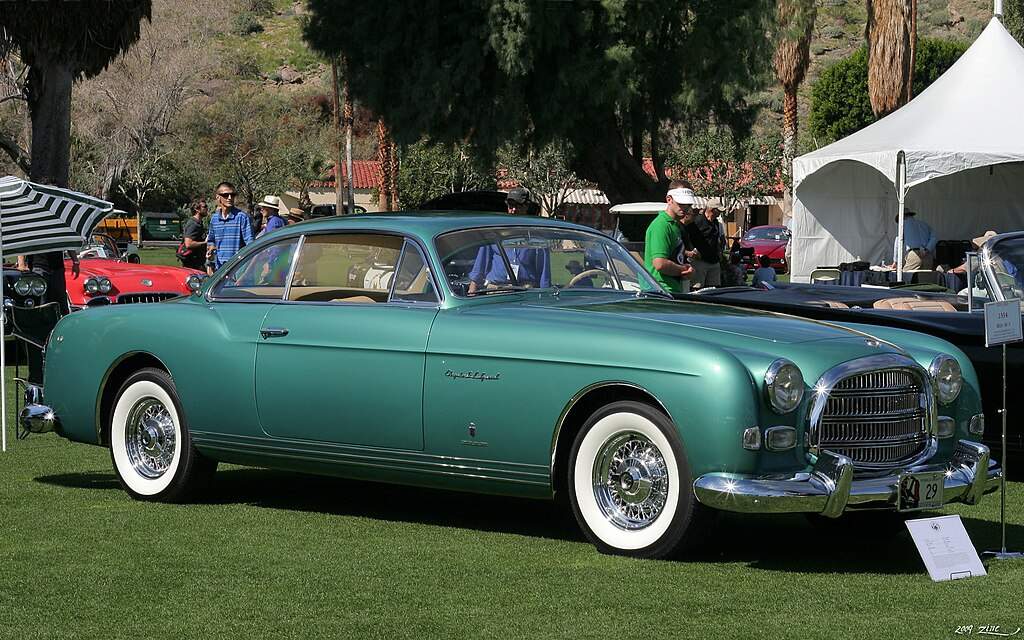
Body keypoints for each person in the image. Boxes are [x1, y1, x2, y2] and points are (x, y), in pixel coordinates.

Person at [467, 188, 550, 293]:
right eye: (511, 206)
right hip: (496, 290)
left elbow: (544, 273)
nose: (514, 210)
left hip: (526, 291)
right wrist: (472, 290)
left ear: (526, 206)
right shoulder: (494, 232)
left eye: (518, 206)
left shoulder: (536, 236)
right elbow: (480, 265)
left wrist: (546, 295)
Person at [644, 182, 696, 294]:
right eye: (681, 203)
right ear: (669, 199)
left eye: (688, 204)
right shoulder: (661, 225)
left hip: (669, 289)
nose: (685, 207)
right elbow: (660, 264)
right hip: (659, 291)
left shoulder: (674, 225)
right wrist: (684, 270)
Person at [206, 181, 253, 270]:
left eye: (232, 195)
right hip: (220, 270)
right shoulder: (214, 219)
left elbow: (250, 246)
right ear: (218, 197)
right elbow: (211, 241)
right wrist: (211, 250)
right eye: (225, 195)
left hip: (238, 269)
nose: (230, 198)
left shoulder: (242, 218)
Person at [684, 205, 725, 288]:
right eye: (718, 211)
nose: (720, 213)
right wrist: (690, 252)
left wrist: (719, 253)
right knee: (697, 288)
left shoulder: (716, 223)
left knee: (713, 288)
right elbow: (687, 237)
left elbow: (717, 239)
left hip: (714, 260)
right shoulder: (697, 221)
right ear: (712, 210)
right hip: (700, 261)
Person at [178, 198, 208, 270]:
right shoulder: (193, 224)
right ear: (197, 209)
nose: (207, 209)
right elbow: (188, 244)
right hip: (192, 263)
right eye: (204, 207)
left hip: (198, 262)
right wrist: (205, 242)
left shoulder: (199, 223)